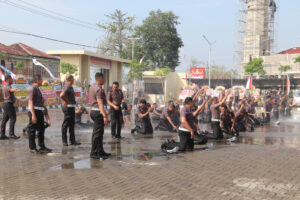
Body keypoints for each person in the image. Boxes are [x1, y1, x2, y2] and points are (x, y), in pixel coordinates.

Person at [27, 74, 52, 153]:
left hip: (39, 110)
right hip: (33, 111)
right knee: (32, 130)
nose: (42, 81)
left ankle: (42, 146)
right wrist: (33, 115)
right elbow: (30, 102)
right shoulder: (32, 89)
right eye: (41, 80)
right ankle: (32, 148)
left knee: (41, 129)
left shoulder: (38, 89)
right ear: (37, 80)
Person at [89, 72, 110, 159]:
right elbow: (100, 102)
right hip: (98, 112)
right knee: (97, 134)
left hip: (94, 111)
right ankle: (94, 153)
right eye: (104, 78)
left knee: (99, 133)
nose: (104, 80)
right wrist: (104, 115)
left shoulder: (92, 87)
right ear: (100, 78)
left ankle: (100, 151)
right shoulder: (99, 89)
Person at [60, 75, 80, 146]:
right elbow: (61, 95)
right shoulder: (67, 85)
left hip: (71, 107)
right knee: (65, 124)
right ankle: (64, 141)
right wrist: (66, 101)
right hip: (67, 107)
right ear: (71, 79)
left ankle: (72, 140)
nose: (74, 80)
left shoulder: (70, 86)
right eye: (73, 79)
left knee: (72, 124)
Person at [0, 75, 19, 140]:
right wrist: (15, 90)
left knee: (4, 120)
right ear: (8, 80)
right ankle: (11, 134)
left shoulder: (6, 86)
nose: (12, 80)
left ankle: (2, 134)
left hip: (6, 104)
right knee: (13, 118)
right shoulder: (7, 86)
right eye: (11, 79)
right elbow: (10, 90)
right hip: (8, 104)